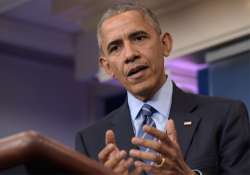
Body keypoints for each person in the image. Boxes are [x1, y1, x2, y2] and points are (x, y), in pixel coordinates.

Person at [75, 3, 250, 175]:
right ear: (107, 67)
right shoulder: (90, 142)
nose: (129, 54)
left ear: (165, 44)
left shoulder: (225, 115)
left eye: (139, 38)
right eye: (115, 47)